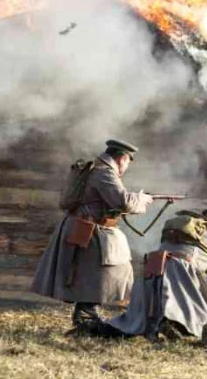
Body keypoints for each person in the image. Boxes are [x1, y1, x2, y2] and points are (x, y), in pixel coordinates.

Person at [31, 139, 153, 326]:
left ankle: (86, 313)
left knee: (90, 273)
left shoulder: (97, 169)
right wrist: (141, 199)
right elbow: (122, 201)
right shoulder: (104, 172)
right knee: (101, 272)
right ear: (122, 159)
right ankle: (87, 314)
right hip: (88, 229)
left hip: (85, 227)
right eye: (128, 162)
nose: (126, 167)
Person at [100, 208, 207, 340]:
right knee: (201, 317)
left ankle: (108, 327)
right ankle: (173, 324)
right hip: (180, 274)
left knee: (134, 321)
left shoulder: (180, 229)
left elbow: (183, 255)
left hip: (152, 271)